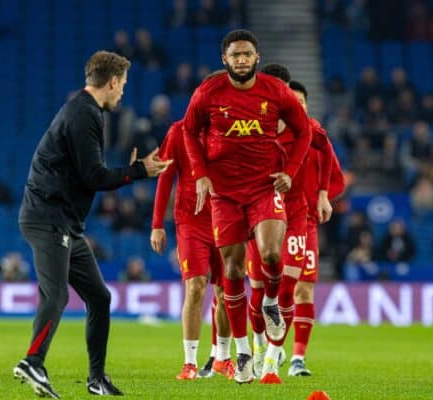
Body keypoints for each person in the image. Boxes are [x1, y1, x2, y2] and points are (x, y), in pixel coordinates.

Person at [14, 51, 172, 398]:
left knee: (99, 298)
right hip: (49, 219)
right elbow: (94, 177)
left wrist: (131, 173)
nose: (122, 93)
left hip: (64, 222)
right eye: (123, 86)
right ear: (113, 81)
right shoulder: (85, 114)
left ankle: (96, 378)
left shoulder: (85, 111)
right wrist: (138, 171)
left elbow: (88, 174)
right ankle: (32, 362)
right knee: (55, 294)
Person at [183, 29, 312, 384]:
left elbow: (305, 132)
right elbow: (188, 132)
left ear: (257, 57)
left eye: (247, 54)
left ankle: (270, 301)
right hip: (224, 194)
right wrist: (201, 174)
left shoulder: (275, 91)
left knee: (271, 255)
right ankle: (242, 353)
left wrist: (290, 171)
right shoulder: (208, 93)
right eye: (235, 55)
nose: (242, 60)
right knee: (233, 271)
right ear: (224, 59)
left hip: (263, 187)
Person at [243, 68, 335, 383]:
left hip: (297, 215)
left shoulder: (306, 127)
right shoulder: (251, 122)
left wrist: (323, 194)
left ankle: (273, 360)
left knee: (289, 288)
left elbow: (326, 148)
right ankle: (257, 344)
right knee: (257, 290)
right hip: (261, 213)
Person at [151, 115, 234, 381]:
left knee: (226, 292)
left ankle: (223, 358)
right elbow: (165, 177)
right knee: (195, 286)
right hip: (191, 222)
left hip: (226, 218)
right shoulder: (178, 132)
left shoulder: (232, 127)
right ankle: (189, 363)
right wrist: (157, 224)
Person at [285, 81, 344, 377]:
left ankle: (297, 359)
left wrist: (323, 194)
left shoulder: (314, 132)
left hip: (305, 220)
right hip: (268, 220)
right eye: (292, 100)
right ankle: (267, 348)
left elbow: (331, 166)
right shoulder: (268, 133)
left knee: (304, 289)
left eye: (302, 101)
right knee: (269, 287)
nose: (298, 106)